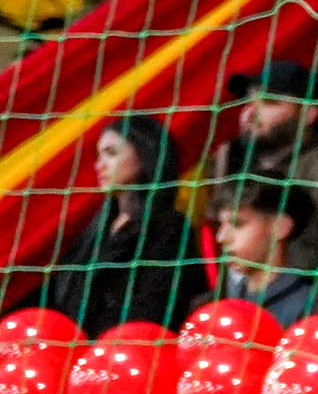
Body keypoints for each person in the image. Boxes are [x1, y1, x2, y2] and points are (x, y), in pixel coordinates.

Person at [32, 116, 204, 333]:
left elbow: (155, 309)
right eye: (99, 155)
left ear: (144, 155)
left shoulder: (170, 229)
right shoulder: (96, 227)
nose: (99, 165)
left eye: (111, 153)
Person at [226, 60, 318, 263]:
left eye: (269, 102)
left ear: (309, 114)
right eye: (247, 102)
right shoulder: (245, 181)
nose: (250, 113)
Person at [207, 176, 318, 326]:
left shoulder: (307, 306)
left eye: (237, 224)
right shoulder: (226, 301)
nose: (221, 237)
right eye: (220, 225)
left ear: (280, 227)